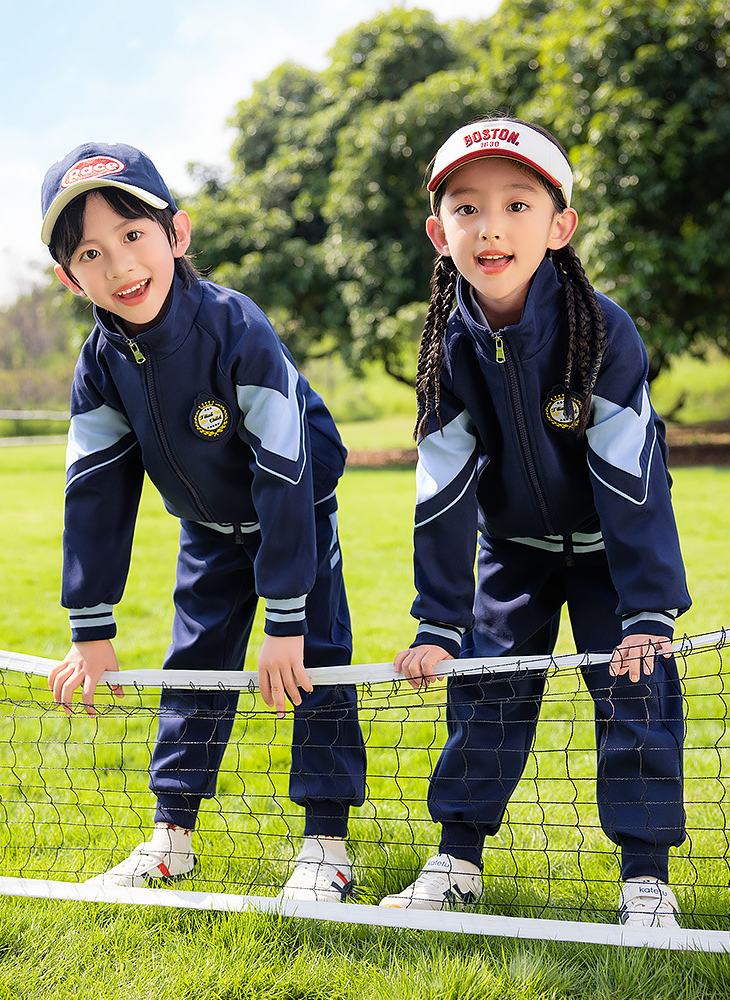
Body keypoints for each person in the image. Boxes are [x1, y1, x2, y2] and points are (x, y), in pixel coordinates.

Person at [378, 118, 690, 927]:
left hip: (609, 562)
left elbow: (632, 470)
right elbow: (442, 484)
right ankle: (456, 860)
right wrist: (440, 624)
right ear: (437, 234)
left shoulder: (604, 333)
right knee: (484, 700)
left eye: (518, 204)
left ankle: (646, 881)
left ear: (559, 227)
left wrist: (647, 607)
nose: (491, 227)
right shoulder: (446, 347)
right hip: (512, 555)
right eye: (467, 207)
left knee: (637, 696)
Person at [41, 142, 366, 902]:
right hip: (209, 531)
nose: (120, 266)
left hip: (296, 513)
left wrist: (284, 619)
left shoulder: (236, 327)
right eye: (90, 252)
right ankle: (171, 838)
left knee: (316, 664)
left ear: (176, 234)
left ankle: (327, 844)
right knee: (194, 668)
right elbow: (93, 488)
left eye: (132, 236)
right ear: (68, 276)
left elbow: (287, 471)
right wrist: (90, 629)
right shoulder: (99, 364)